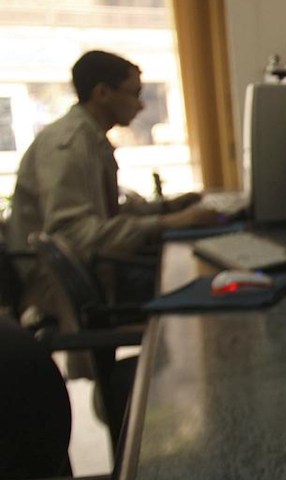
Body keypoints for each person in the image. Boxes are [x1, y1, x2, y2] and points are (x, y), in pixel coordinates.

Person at [7, 50, 221, 331]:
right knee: (202, 286)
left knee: (201, 274)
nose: (141, 105)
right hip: (65, 288)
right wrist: (166, 223)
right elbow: (73, 235)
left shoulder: (89, 137)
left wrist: (166, 208)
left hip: (94, 270)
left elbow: (103, 213)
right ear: (102, 93)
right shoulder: (68, 145)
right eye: (134, 93)